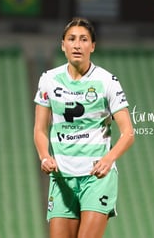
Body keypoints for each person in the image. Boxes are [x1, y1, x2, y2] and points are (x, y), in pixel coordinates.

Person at [33, 17, 135, 238]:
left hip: (95, 178)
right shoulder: (48, 80)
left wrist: (108, 160)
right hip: (61, 177)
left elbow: (128, 133)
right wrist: (44, 155)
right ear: (63, 45)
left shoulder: (107, 81)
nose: (77, 45)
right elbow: (40, 130)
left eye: (83, 39)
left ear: (93, 46)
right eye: (71, 39)